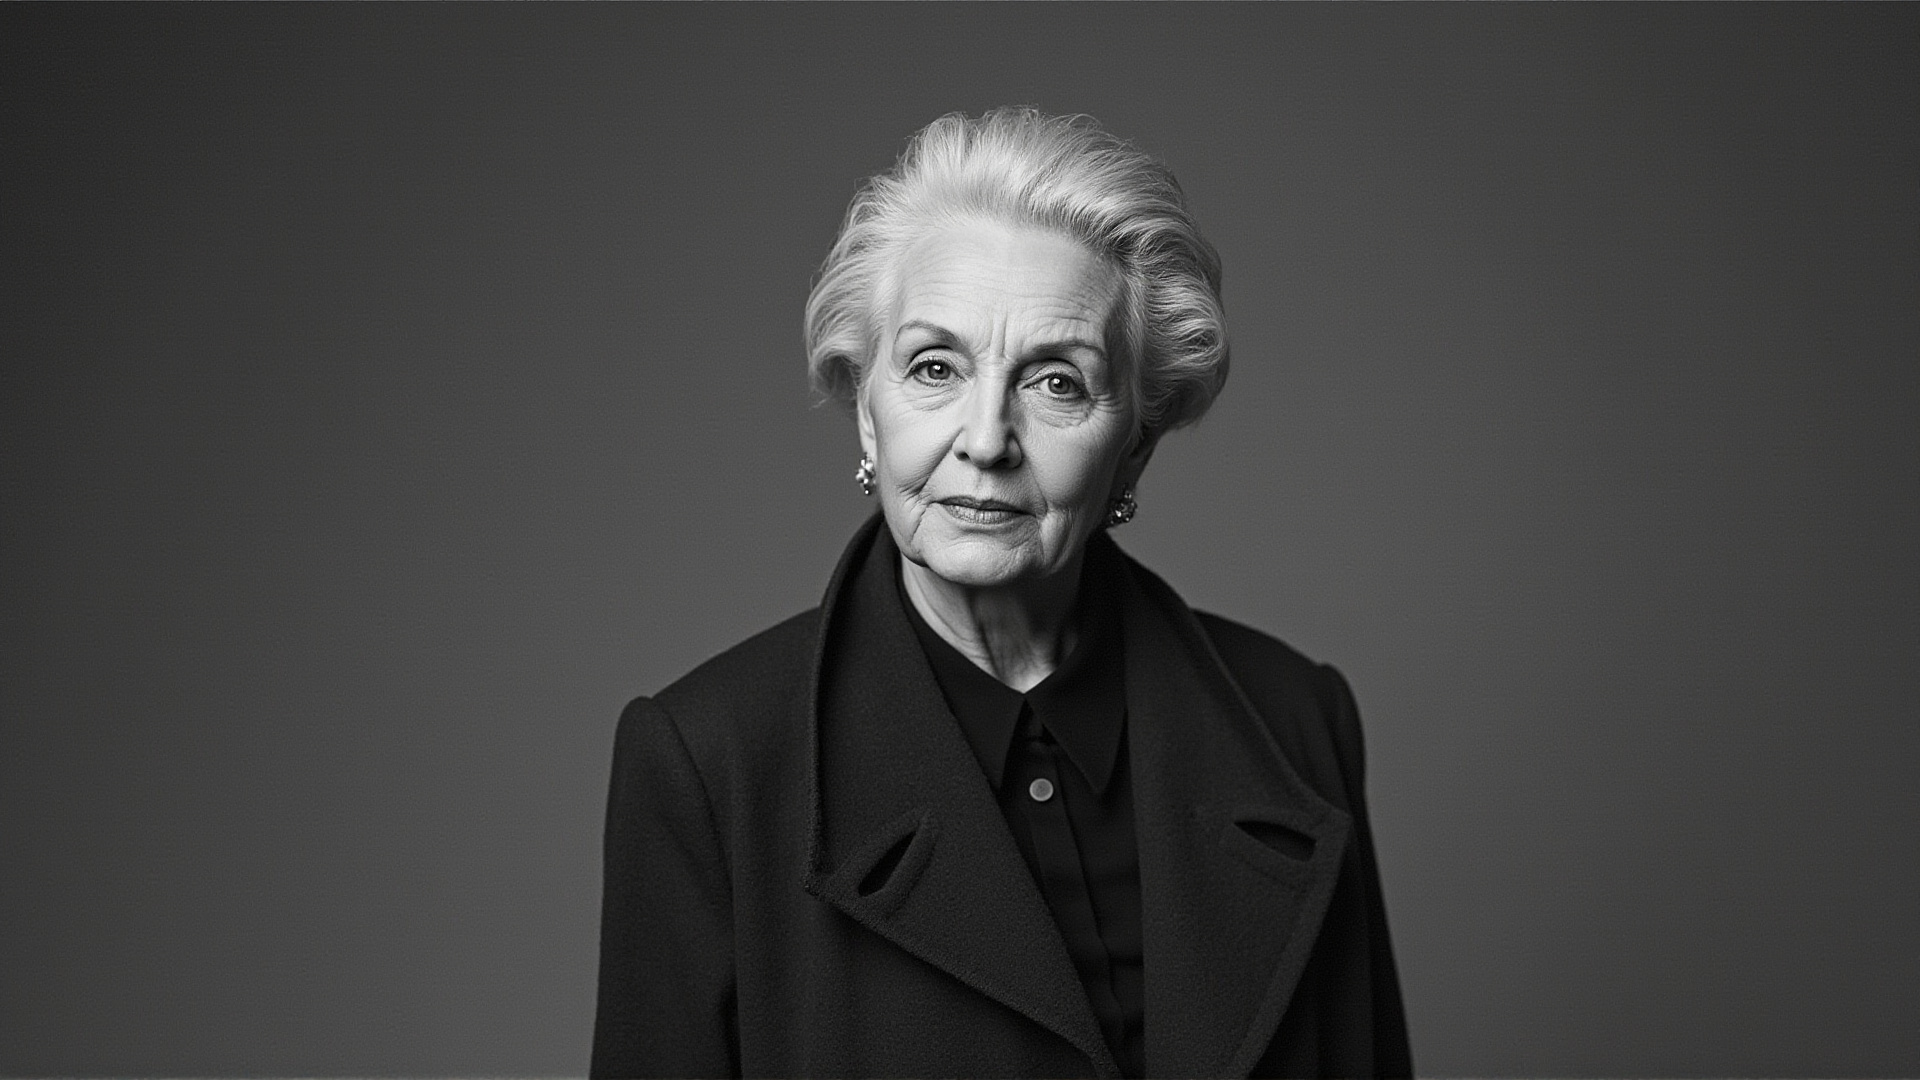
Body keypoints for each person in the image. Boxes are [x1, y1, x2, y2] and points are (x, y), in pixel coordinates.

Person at [591, 108, 1411, 1079]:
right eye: (934, 368)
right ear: (867, 411)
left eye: (1056, 382)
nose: (986, 439)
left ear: (1135, 443)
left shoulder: (1296, 722)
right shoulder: (709, 763)